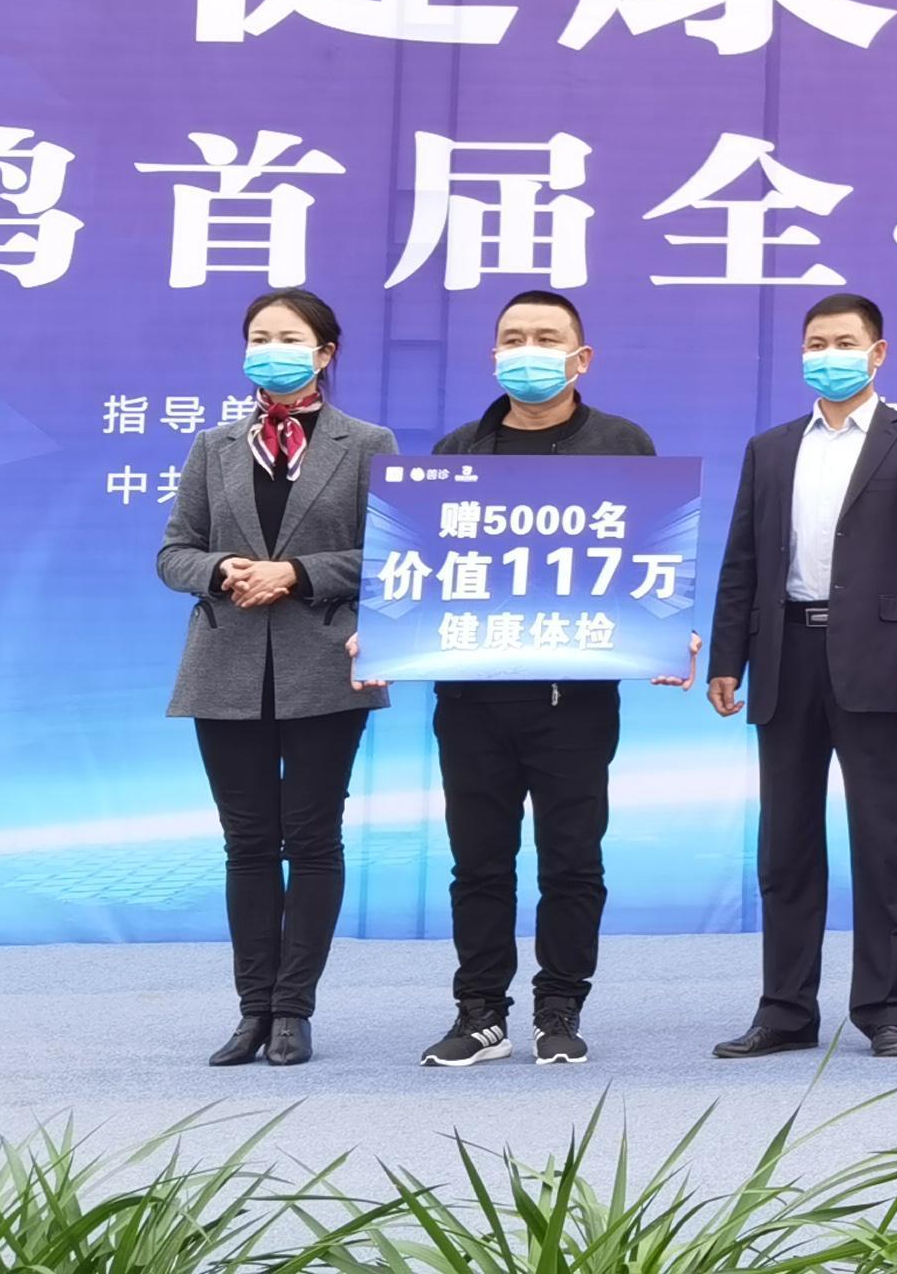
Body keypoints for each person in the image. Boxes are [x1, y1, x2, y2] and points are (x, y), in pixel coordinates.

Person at [704, 293, 897, 1061]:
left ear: (877, 354)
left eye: (844, 342)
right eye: (816, 342)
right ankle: (785, 1010)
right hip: (785, 656)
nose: (829, 354)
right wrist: (727, 657)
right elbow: (742, 560)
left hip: (880, 661)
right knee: (784, 846)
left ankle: (888, 1009)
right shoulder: (772, 448)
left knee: (883, 843)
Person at [417, 290, 664, 1069]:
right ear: (494, 355)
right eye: (513, 338)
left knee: (572, 861)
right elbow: (423, 570)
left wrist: (663, 626)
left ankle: (560, 1006)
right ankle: (480, 1012)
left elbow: (649, 557)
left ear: (580, 358)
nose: (529, 350)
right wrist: (384, 629)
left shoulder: (623, 446)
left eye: (546, 338)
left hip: (574, 702)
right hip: (472, 699)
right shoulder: (457, 452)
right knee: (478, 864)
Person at [159, 288, 393, 1068]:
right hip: (224, 666)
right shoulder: (215, 446)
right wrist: (222, 568)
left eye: (289, 338)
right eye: (259, 336)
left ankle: (294, 1010)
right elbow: (173, 552)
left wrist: (295, 572)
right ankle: (251, 1010)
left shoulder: (367, 444)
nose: (271, 350)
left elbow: (394, 554)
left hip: (326, 664)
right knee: (249, 843)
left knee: (313, 838)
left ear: (325, 353)